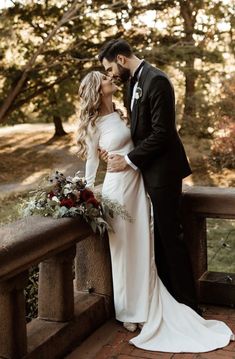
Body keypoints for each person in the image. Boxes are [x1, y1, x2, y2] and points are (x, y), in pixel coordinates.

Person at [77, 70, 234, 352]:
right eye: (103, 78)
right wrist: (84, 194)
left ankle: (145, 304)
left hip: (137, 188)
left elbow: (138, 144)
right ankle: (127, 312)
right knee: (123, 250)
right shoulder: (94, 124)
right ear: (96, 90)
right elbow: (91, 163)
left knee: (143, 247)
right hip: (116, 191)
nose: (110, 78)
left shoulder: (120, 114)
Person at [98, 39, 199, 313]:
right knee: (155, 239)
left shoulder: (158, 81)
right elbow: (138, 131)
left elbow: (162, 133)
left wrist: (129, 160)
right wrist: (115, 152)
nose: (110, 75)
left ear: (120, 59)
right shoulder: (132, 82)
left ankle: (189, 305)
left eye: (109, 68)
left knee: (170, 237)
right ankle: (165, 299)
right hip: (144, 172)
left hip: (164, 172)